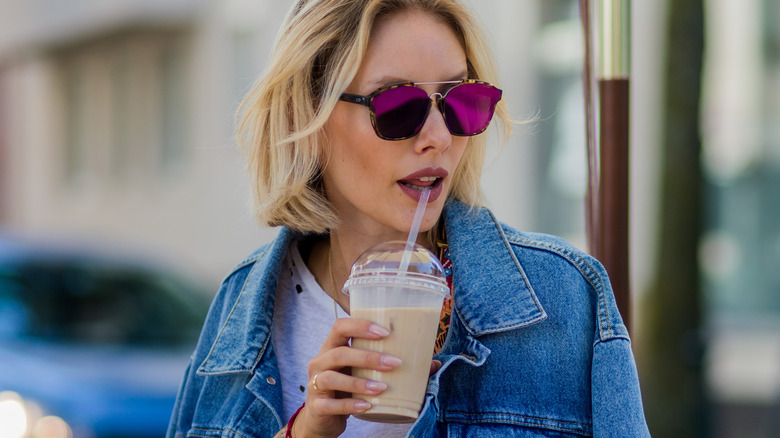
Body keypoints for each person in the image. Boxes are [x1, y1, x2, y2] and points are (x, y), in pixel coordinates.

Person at [167, 0, 650, 437]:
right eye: (399, 107)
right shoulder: (240, 307)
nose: (438, 137)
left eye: (462, 101)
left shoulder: (564, 298)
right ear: (308, 119)